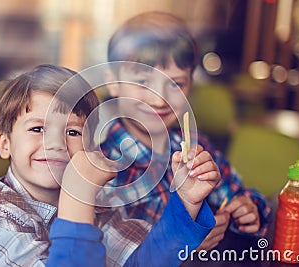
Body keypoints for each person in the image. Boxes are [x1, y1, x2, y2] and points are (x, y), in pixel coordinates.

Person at [0, 64, 220, 266]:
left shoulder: (99, 203)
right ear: (5, 144)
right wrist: (78, 196)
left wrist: (186, 201)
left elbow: (142, 261)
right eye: (37, 128)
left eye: (73, 132)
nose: (56, 143)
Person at [100, 11, 272, 251]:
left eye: (175, 83)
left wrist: (246, 210)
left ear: (191, 84)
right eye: (143, 82)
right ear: (113, 82)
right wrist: (181, 238)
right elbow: (109, 248)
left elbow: (239, 194)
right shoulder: (101, 162)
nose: (160, 99)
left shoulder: (198, 147)